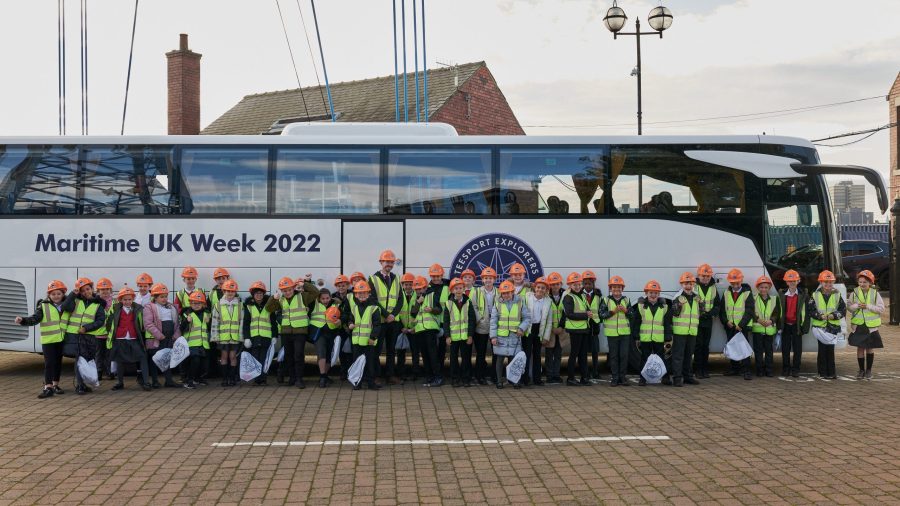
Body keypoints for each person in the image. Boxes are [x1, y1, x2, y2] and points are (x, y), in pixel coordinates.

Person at [15, 280, 70, 398]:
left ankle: (56, 385)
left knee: (58, 364)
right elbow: (35, 319)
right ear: (49, 295)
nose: (56, 296)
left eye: (58, 293)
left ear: (63, 294)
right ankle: (48, 387)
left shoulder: (66, 305)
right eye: (53, 294)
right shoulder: (43, 306)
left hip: (60, 340)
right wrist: (23, 320)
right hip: (48, 341)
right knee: (49, 364)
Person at [266, 275, 318, 388]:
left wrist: (304, 284)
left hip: (300, 332)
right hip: (286, 332)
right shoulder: (280, 299)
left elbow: (315, 293)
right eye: (284, 290)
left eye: (289, 289)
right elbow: (269, 309)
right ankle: (292, 377)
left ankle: (299, 379)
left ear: (293, 288)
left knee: (298, 355)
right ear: (281, 291)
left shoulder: (302, 296)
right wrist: (273, 298)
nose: (287, 292)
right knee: (289, 356)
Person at [61, 277, 108, 395]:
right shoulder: (75, 301)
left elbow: (100, 321)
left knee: (86, 361)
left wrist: (86, 328)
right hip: (74, 336)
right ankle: (80, 386)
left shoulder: (98, 305)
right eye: (82, 291)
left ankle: (83, 384)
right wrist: (73, 294)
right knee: (79, 360)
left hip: (89, 337)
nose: (86, 292)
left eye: (87, 289)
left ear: (92, 289)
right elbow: (65, 307)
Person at [105, 286, 151, 391]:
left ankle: (146, 382)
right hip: (120, 338)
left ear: (133, 299)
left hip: (134, 337)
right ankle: (120, 382)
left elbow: (142, 323)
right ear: (120, 299)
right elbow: (108, 322)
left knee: (142, 357)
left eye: (129, 299)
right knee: (119, 360)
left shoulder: (139, 308)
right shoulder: (115, 308)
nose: (127, 302)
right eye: (125, 299)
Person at [369, 250, 403, 385]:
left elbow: (400, 299)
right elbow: (373, 299)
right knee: (376, 350)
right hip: (380, 321)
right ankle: (376, 376)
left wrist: (393, 314)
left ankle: (390, 375)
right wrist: (386, 314)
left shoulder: (396, 278)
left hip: (393, 322)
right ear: (380, 262)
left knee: (391, 349)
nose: (389, 264)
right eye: (386, 261)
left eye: (391, 262)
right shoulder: (373, 279)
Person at [490, 280, 531, 389]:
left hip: (515, 336)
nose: (506, 295)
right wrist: (493, 336)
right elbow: (493, 321)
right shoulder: (497, 303)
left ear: (513, 292)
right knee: (499, 359)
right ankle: (499, 381)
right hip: (501, 336)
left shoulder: (520, 302)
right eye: (504, 293)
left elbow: (527, 318)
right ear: (501, 293)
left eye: (508, 292)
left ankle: (515, 381)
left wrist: (521, 328)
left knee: (514, 360)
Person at [631, 280, 673, 386]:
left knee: (661, 359)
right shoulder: (641, 306)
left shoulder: (664, 307)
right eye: (651, 293)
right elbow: (637, 322)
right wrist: (635, 334)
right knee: (644, 358)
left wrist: (668, 335)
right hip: (645, 338)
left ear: (659, 294)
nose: (653, 295)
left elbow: (667, 323)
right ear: (646, 293)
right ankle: (642, 378)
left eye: (655, 293)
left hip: (658, 338)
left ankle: (665, 378)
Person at [344, 281, 382, 390]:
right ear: (355, 295)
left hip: (368, 341)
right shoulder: (354, 308)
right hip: (356, 342)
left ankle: (371, 383)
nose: (361, 295)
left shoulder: (374, 308)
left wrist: (372, 337)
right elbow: (350, 320)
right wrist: (350, 324)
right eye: (359, 293)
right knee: (357, 363)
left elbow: (377, 325)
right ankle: (357, 383)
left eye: (364, 293)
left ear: (369, 294)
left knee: (370, 363)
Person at [847, 270, 884, 380]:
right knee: (860, 348)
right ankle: (861, 370)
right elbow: (849, 307)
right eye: (860, 282)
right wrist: (857, 306)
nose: (862, 284)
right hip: (858, 326)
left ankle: (869, 370)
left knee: (869, 348)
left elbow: (881, 309)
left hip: (871, 327)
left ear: (870, 283)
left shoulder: (875, 294)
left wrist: (868, 306)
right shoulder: (854, 293)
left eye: (865, 282)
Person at [809, 270, 845, 380]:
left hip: (832, 327)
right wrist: (820, 316)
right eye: (825, 282)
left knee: (830, 350)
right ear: (821, 282)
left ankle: (832, 372)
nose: (828, 284)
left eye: (830, 282)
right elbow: (811, 310)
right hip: (820, 327)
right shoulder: (815, 295)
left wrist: (833, 316)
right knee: (822, 349)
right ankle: (822, 372)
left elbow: (842, 310)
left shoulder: (837, 295)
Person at [143, 283, 181, 388]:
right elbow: (148, 324)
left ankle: (168, 380)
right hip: (157, 339)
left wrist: (175, 335)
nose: (164, 299)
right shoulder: (149, 307)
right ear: (155, 297)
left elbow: (177, 323)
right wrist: (160, 336)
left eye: (165, 296)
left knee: (166, 358)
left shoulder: (172, 307)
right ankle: (155, 381)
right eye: (161, 297)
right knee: (155, 359)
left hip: (169, 337)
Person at [720, 269, 754, 380]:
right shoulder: (726, 293)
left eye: (737, 283)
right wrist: (726, 322)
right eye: (733, 283)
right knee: (733, 347)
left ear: (741, 280)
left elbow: (749, 310)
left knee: (744, 348)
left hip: (741, 327)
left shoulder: (747, 293)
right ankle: (734, 369)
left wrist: (741, 324)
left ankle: (747, 370)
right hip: (730, 326)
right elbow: (722, 310)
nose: (735, 285)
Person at [242, 281, 278, 386]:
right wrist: (247, 338)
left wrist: (274, 335)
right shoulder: (249, 306)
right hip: (253, 337)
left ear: (264, 294)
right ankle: (256, 379)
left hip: (266, 337)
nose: (259, 295)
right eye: (256, 293)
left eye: (261, 293)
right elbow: (246, 323)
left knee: (264, 358)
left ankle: (263, 379)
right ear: (253, 295)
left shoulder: (269, 306)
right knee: (254, 358)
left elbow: (273, 322)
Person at [443, 278, 476, 387]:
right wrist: (447, 336)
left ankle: (466, 379)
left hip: (466, 336)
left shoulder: (468, 302)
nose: (458, 290)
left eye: (460, 288)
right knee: (453, 359)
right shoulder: (448, 304)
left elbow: (472, 320)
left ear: (464, 289)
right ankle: (455, 379)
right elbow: (446, 322)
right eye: (456, 288)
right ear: (452, 290)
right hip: (453, 337)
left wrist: (470, 335)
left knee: (466, 359)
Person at [670, 272, 701, 387]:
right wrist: (679, 306)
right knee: (678, 356)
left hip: (692, 330)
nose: (688, 286)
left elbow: (701, 312)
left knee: (689, 355)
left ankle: (688, 377)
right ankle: (677, 378)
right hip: (680, 331)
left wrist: (701, 304)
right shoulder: (678, 297)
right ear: (682, 284)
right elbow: (674, 313)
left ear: (693, 284)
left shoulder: (697, 297)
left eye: (690, 283)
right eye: (686, 283)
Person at [599, 276, 631, 387]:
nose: (616, 290)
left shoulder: (626, 300)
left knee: (624, 356)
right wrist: (613, 311)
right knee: (613, 356)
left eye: (619, 287)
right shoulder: (605, 300)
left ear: (622, 289)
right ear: (610, 289)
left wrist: (625, 311)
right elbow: (601, 315)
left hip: (625, 333)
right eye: (614, 287)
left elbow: (632, 315)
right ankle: (615, 377)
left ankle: (623, 378)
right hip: (612, 334)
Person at [414, 276, 445, 387]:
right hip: (419, 330)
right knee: (425, 355)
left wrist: (431, 309)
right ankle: (429, 377)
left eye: (420, 288)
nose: (418, 291)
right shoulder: (416, 297)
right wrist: (418, 303)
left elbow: (439, 310)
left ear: (425, 287)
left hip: (430, 329)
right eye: (416, 289)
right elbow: (413, 313)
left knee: (433, 354)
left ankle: (438, 377)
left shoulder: (432, 295)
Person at [211, 279, 242, 387]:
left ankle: (232, 378)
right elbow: (215, 321)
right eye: (227, 291)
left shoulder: (239, 305)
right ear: (224, 291)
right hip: (223, 336)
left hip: (234, 336)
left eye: (232, 291)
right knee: (224, 357)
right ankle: (225, 378)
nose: (230, 293)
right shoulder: (218, 304)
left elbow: (241, 322)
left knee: (233, 357)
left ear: (235, 292)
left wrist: (241, 336)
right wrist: (215, 336)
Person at [777, 269, 808, 378]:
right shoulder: (781, 294)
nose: (792, 283)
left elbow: (806, 312)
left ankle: (796, 370)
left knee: (797, 349)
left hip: (796, 326)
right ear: (786, 282)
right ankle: (785, 369)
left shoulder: (803, 294)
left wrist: (804, 327)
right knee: (785, 349)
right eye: (790, 281)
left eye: (794, 281)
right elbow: (778, 310)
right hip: (785, 325)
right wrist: (778, 325)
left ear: (798, 281)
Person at [469, 267, 498, 385]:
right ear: (482, 279)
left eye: (490, 278)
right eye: (486, 278)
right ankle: (479, 376)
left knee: (496, 352)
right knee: (481, 353)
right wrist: (480, 319)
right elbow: (473, 307)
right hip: (481, 325)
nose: (488, 280)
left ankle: (494, 376)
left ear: (494, 279)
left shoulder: (499, 291)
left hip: (495, 325)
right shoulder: (476, 291)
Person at [308, 288, 341, 388]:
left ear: (330, 297)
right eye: (323, 298)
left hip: (332, 333)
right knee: (321, 353)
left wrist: (340, 321)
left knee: (329, 355)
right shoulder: (313, 304)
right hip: (319, 333)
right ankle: (322, 376)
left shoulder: (336, 305)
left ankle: (325, 375)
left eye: (327, 298)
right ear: (319, 298)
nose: (325, 300)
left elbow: (341, 316)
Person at [562, 272, 591, 386]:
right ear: (569, 285)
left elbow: (586, 309)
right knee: (574, 354)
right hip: (575, 330)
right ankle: (570, 378)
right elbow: (569, 314)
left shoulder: (582, 296)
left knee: (583, 355)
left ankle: (584, 378)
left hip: (583, 329)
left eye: (579, 284)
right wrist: (586, 315)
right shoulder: (568, 297)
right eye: (574, 285)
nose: (577, 286)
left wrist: (588, 314)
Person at [692, 264, 720, 379]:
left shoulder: (713, 288)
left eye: (707, 276)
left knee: (705, 346)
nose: (705, 278)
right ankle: (698, 369)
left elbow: (717, 304)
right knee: (698, 345)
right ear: (698, 275)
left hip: (708, 320)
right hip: (697, 320)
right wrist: (700, 313)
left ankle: (704, 369)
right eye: (703, 275)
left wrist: (710, 314)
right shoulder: (694, 286)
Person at [179, 291, 211, 389]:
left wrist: (209, 323)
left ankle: (198, 378)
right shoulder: (186, 314)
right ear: (190, 303)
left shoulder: (207, 314)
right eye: (193, 303)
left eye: (198, 303)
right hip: (191, 343)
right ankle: (189, 380)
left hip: (204, 343)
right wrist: (186, 321)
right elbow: (181, 328)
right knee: (195, 361)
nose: (196, 305)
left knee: (203, 363)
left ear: (203, 304)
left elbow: (209, 328)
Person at [523, 276, 552, 386]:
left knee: (537, 355)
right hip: (528, 329)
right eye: (538, 287)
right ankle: (525, 379)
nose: (540, 290)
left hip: (539, 330)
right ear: (534, 287)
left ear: (546, 290)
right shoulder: (527, 297)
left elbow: (549, 321)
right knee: (526, 354)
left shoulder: (548, 302)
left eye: (543, 288)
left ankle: (537, 379)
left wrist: (546, 337)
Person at [751, 276, 780, 378]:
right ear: (758, 288)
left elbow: (777, 313)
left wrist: (771, 320)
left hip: (769, 329)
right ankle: (759, 370)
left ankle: (769, 370)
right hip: (757, 329)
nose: (763, 289)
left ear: (769, 288)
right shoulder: (753, 298)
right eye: (761, 287)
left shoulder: (774, 299)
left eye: (766, 287)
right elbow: (750, 312)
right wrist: (757, 319)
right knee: (758, 351)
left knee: (769, 351)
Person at [427, 264, 450, 376]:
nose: (435, 278)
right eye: (433, 276)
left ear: (442, 275)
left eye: (438, 276)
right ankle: (433, 372)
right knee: (432, 350)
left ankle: (440, 371)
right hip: (431, 323)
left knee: (442, 349)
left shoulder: (448, 286)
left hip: (444, 322)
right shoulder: (427, 288)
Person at [544, 272, 566, 385]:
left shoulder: (566, 295)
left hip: (561, 330)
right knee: (549, 354)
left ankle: (556, 375)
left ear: (561, 284)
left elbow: (566, 313)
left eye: (557, 284)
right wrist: (551, 327)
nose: (555, 286)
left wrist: (561, 326)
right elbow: (545, 313)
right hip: (550, 330)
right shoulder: (546, 296)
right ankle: (549, 375)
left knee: (558, 354)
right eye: (552, 284)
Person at [581, 270, 603, 380]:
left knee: (595, 350)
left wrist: (599, 321)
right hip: (583, 326)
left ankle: (595, 370)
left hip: (594, 326)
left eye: (589, 283)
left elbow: (600, 308)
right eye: (585, 283)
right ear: (582, 284)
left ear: (593, 284)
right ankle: (585, 371)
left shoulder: (598, 294)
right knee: (584, 350)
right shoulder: (579, 294)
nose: (587, 286)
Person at [331, 274, 353, 380]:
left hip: (350, 327)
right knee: (341, 351)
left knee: (351, 351)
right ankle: (343, 372)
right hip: (339, 329)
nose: (341, 288)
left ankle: (351, 371)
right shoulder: (332, 297)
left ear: (348, 285)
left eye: (343, 285)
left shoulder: (352, 295)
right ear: (336, 287)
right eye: (339, 286)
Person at [397, 273, 418, 381]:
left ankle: (415, 373)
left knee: (415, 352)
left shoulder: (418, 296)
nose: (408, 286)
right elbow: (396, 313)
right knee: (401, 352)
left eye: (410, 284)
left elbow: (421, 314)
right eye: (406, 284)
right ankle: (401, 373)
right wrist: (401, 327)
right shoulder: (399, 296)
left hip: (414, 330)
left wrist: (416, 328)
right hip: (403, 329)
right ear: (402, 285)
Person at [94, 277, 115, 380]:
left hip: (110, 334)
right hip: (98, 333)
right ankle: (99, 372)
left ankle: (109, 371)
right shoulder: (95, 302)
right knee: (98, 354)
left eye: (107, 289)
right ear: (98, 291)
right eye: (102, 290)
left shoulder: (115, 302)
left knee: (109, 354)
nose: (105, 291)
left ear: (110, 290)